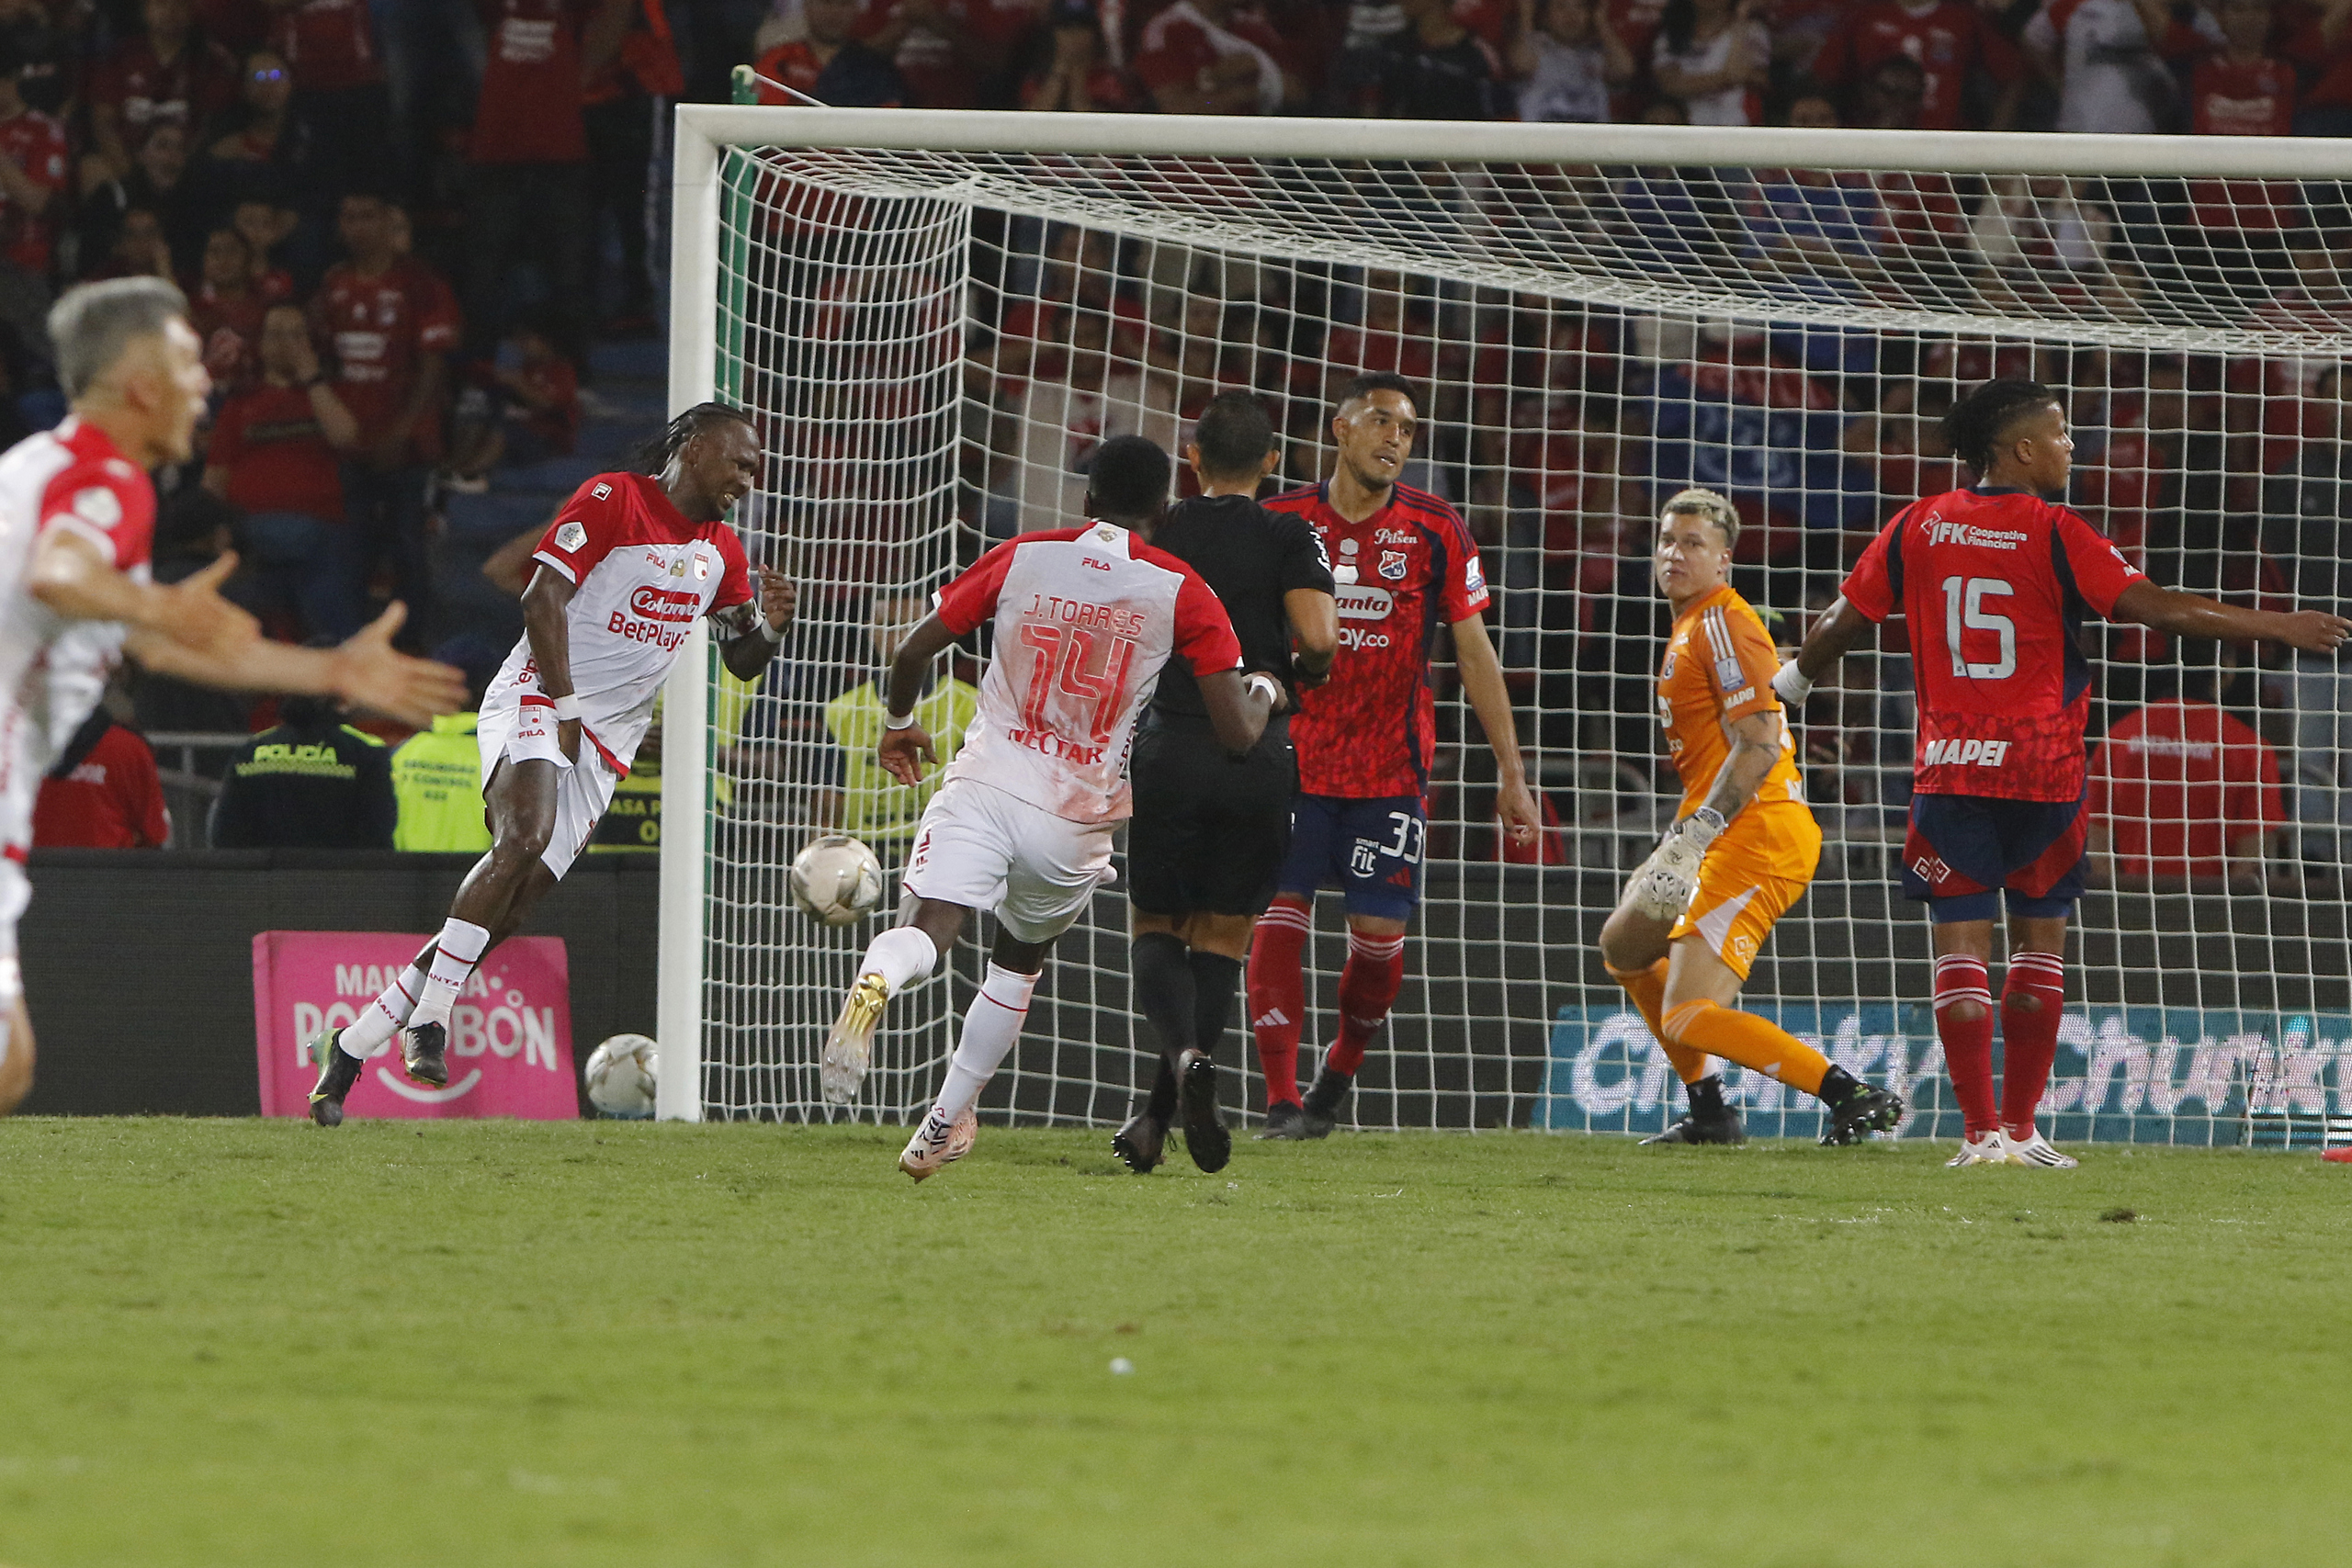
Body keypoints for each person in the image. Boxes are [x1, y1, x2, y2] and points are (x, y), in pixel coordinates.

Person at [1777, 378, 2348, 1168]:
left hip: (1950, 768)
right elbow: (2156, 607)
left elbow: (1843, 619)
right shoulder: (2056, 529)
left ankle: (1977, 1135)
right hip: (2045, 768)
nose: (2072, 446)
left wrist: (1793, 685)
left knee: (1959, 953)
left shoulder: (1918, 524)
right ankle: (2022, 1129)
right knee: (2040, 945)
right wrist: (2277, 624)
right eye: (2060, 433)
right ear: (2020, 449)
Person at [0, 276, 467, 1117]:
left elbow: (152, 638)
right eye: (187, 360)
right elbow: (61, 573)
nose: (206, 381)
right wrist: (152, 602)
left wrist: (325, 674)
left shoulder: (52, 469)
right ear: (139, 380)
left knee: (11, 1067)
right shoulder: (101, 480)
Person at [304, 402, 797, 1127]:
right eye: (740, 461)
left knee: (514, 903)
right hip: (542, 693)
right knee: (523, 835)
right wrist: (565, 710)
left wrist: (770, 626)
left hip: (609, 742)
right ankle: (431, 1018)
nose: (748, 480)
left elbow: (743, 660)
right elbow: (541, 598)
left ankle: (351, 1045)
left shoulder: (722, 551)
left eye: (755, 469)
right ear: (694, 447)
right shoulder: (615, 498)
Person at [819, 435, 1274, 1181]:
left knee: (930, 926)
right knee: (1018, 962)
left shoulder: (1025, 553)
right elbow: (1236, 735)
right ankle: (940, 1123)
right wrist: (1263, 689)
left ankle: (878, 981)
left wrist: (900, 721)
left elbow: (912, 651)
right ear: (1163, 509)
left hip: (990, 780)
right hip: (1074, 815)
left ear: (1085, 501)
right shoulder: (1183, 589)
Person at [1248, 372, 1539, 1139]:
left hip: (1390, 774)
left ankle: (1337, 1075)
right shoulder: (1279, 520)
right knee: (1278, 919)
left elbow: (1475, 653)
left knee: (1378, 947)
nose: (1396, 440)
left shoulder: (1437, 528)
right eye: (1381, 422)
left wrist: (1512, 772)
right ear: (1339, 430)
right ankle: (1280, 1101)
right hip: (1292, 762)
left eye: (1407, 429)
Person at [1598, 490, 1904, 1147]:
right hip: (1711, 827)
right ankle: (1709, 1110)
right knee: (1625, 948)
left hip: (1755, 832)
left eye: (1693, 544)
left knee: (1686, 1012)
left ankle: (1848, 1092)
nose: (1674, 553)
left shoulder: (1718, 621)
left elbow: (1761, 741)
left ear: (1724, 561)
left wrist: (1695, 836)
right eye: (1666, 540)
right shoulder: (1695, 626)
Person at [1112, 392, 1336, 1175]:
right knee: (1221, 939)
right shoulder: (1287, 531)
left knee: (1154, 926)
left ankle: (1174, 1068)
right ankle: (1158, 1110)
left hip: (1171, 744)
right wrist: (1294, 673)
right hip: (1259, 755)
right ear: (1272, 462)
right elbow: (1318, 638)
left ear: (1194, 459)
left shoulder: (1162, 529)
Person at [311, 192, 459, 649]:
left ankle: (417, 649)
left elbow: (434, 365)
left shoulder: (419, 284)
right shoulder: (333, 283)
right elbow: (324, 355)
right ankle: (351, 649)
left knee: (408, 549)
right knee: (349, 550)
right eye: (348, 217)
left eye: (367, 217)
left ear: (387, 222)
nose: (357, 227)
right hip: (349, 443)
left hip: (407, 446)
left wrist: (401, 431)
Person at [203, 301, 364, 640]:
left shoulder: (328, 394)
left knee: (325, 555)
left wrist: (311, 377)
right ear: (261, 344)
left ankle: (333, 662)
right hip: (250, 528)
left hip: (320, 525)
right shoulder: (241, 403)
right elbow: (214, 480)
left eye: (295, 334)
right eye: (276, 334)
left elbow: (346, 436)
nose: (285, 343)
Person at [2086, 650, 2286, 891]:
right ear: (2227, 671)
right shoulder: (2248, 747)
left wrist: (2123, 905)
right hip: (2213, 913)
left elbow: (2097, 845)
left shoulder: (2116, 738)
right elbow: (2252, 855)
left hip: (2133, 911)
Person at [813, 591, 978, 860]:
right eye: (888, 624)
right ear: (870, 632)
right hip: (863, 857)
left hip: (939, 852)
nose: (900, 635)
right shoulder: (840, 711)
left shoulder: (967, 705)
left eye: (910, 625)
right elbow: (828, 804)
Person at [209, 692, 396, 848]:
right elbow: (377, 833)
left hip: (266, 884)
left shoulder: (250, 752)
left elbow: (225, 834)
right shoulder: (365, 754)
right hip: (339, 883)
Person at [31, 704, 169, 849]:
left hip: (30, 864)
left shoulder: (19, 745)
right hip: (108, 865)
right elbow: (154, 833)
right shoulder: (129, 748)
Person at [752, 0, 910, 106]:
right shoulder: (779, 59)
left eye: (843, 3)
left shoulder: (877, 66)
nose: (833, 12)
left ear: (856, 9)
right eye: (825, 2)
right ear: (806, 6)